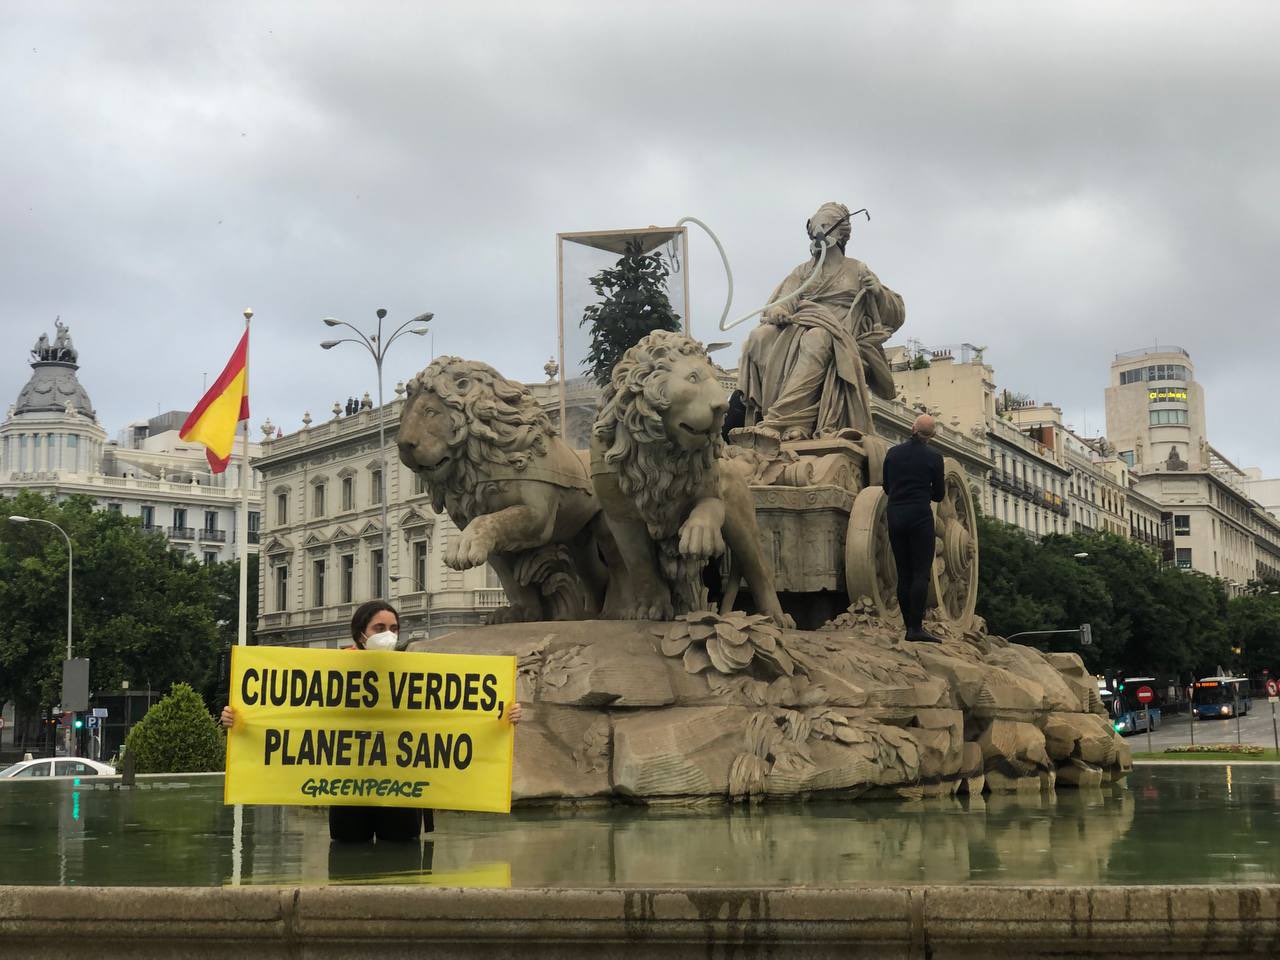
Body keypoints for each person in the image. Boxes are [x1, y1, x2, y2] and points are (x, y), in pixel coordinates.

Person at [221, 599, 522, 843]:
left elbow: (450, 717)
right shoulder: (329, 673)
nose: (388, 634)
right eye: (379, 627)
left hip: (402, 792)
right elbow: (292, 714)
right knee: (348, 858)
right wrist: (240, 720)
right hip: (346, 789)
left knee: (401, 864)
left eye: (394, 628)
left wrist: (500, 718)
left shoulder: (418, 672)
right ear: (360, 633)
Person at [738, 201, 905, 441]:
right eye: (814, 228)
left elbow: (895, 314)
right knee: (758, 337)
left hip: (839, 331)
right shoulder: (803, 271)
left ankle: (788, 420)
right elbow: (785, 300)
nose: (817, 234)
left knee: (817, 338)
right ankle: (767, 414)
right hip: (800, 324)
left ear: (840, 232)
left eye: (824, 226)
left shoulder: (857, 269)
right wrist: (780, 311)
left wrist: (877, 292)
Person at [881, 414, 945, 643]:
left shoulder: (892, 453)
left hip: (895, 515)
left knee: (904, 573)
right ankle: (916, 628)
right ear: (933, 435)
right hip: (919, 515)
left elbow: (887, 487)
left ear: (912, 428)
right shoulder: (934, 458)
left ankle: (908, 625)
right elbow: (939, 494)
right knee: (920, 573)